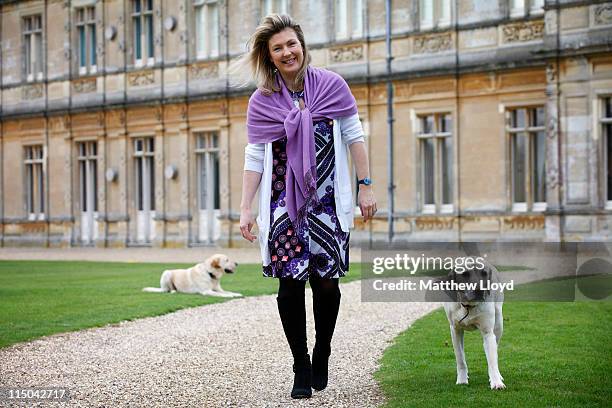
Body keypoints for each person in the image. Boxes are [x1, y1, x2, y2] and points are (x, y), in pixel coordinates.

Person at [238, 14, 377, 399]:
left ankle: (323, 350)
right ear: (269, 56)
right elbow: (254, 157)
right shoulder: (262, 101)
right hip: (284, 206)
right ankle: (300, 362)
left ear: (303, 45)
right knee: (289, 286)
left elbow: (354, 136)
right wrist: (245, 208)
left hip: (328, 202)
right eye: (278, 48)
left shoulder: (331, 86)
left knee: (327, 285)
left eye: (291, 44)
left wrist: (366, 187)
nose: (287, 52)